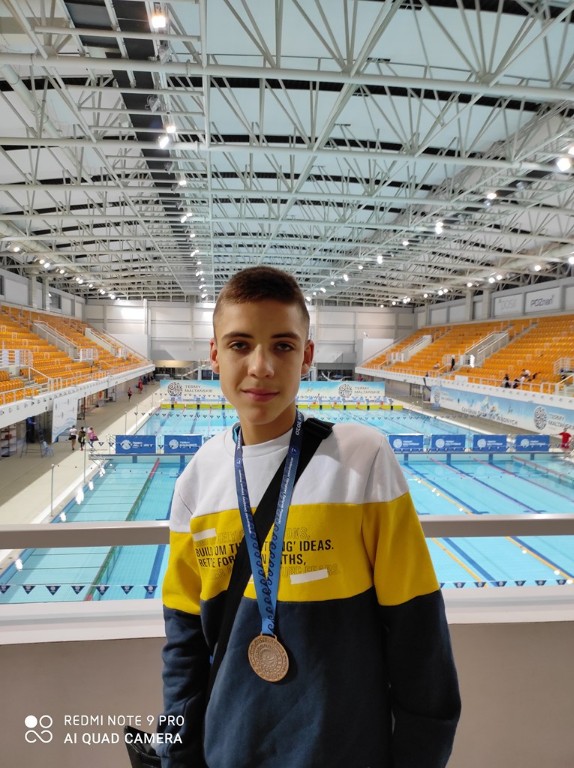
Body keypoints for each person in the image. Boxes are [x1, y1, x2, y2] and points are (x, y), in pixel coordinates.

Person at [157, 266, 460, 768]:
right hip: (228, 750)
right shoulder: (197, 479)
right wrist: (176, 756)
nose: (261, 367)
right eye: (239, 345)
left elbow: (419, 636)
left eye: (283, 346)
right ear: (214, 354)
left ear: (308, 355)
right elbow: (183, 646)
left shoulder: (362, 460)